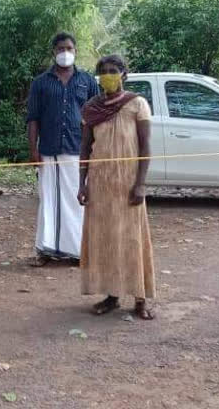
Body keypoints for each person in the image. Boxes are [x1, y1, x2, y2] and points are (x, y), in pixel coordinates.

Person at [78, 55, 155, 320]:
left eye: (113, 71)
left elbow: (145, 147)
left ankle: (140, 298)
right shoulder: (91, 108)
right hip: (100, 183)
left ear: (124, 74)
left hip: (128, 183)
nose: (108, 75)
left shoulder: (137, 104)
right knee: (105, 239)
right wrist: (82, 183)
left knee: (133, 239)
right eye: (103, 72)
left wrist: (141, 183)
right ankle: (111, 296)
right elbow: (85, 148)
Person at [27, 32, 99, 266]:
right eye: (60, 48)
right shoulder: (41, 83)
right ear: (53, 52)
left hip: (78, 148)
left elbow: (96, 116)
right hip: (49, 149)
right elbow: (33, 119)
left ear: (75, 51)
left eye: (69, 48)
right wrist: (33, 149)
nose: (64, 53)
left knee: (76, 200)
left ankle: (79, 250)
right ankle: (45, 249)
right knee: (47, 200)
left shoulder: (87, 81)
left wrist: (96, 148)